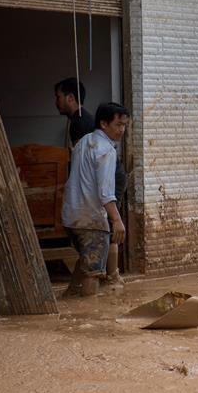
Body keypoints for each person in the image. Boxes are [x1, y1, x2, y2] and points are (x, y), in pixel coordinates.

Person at [61, 103, 128, 297]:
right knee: (94, 273)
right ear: (104, 124)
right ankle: (89, 316)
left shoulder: (83, 141)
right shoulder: (106, 150)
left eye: (124, 125)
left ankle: (70, 296)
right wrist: (117, 220)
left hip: (71, 216)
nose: (122, 130)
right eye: (118, 125)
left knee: (86, 262)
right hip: (91, 220)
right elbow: (105, 192)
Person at [54, 77, 94, 148]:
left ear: (70, 98)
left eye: (58, 97)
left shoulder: (79, 122)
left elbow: (80, 156)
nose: (56, 103)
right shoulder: (83, 117)